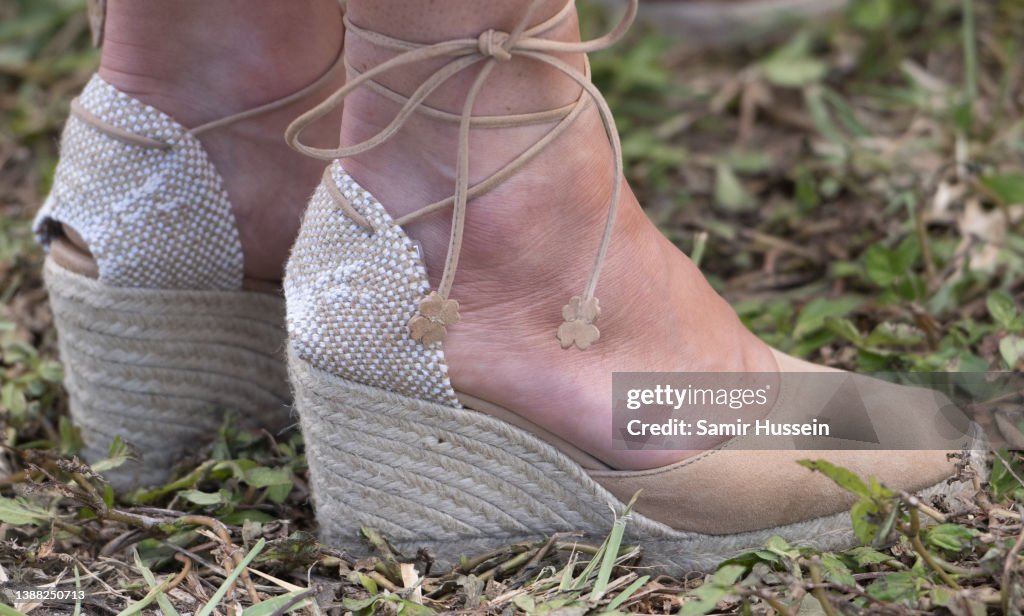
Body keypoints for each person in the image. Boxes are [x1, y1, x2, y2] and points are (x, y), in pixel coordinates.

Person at [36, 0, 979, 572]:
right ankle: (492, 236)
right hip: (463, 271)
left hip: (194, 174)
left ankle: (198, 128)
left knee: (227, 63)